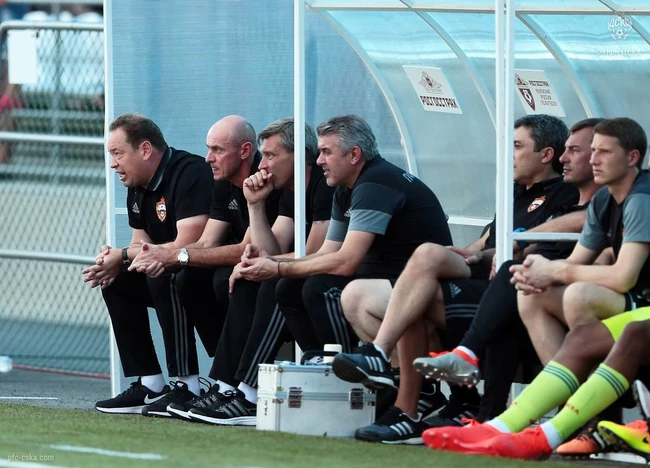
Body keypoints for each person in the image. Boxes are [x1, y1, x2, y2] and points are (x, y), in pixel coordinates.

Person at [332, 114, 580, 444]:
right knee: (426, 258)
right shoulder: (515, 191)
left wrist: (508, 248)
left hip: (511, 289)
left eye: (517, 146)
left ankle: (405, 402)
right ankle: (402, 380)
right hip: (487, 272)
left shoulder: (565, 193)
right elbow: (488, 240)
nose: (508, 155)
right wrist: (471, 251)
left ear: (546, 154)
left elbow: (548, 243)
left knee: (417, 292)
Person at [422, 117, 650, 459]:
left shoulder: (642, 198)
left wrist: (554, 269)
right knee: (530, 293)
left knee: (580, 296)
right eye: (593, 151)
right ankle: (506, 425)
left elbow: (623, 278)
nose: (593, 160)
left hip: (639, 306)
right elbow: (580, 260)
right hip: (636, 307)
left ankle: (546, 428)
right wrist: (538, 273)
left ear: (632, 158)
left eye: (604, 152)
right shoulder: (605, 200)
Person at [414, 118, 603, 429]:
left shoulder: (588, 197)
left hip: (566, 293)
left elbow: (598, 254)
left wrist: (524, 250)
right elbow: (497, 244)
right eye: (566, 150)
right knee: (502, 287)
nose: (564, 158)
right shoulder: (517, 192)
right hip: (528, 287)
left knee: (508, 285)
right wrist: (485, 253)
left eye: (575, 150)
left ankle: (467, 386)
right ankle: (480, 413)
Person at [236, 115, 450, 360]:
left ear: (354, 155)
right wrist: (273, 263)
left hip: (418, 286)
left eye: (326, 152)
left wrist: (277, 268)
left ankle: (345, 367)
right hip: (385, 279)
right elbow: (327, 252)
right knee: (289, 287)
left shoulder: (374, 184)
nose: (319, 160)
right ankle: (322, 362)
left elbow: (347, 262)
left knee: (319, 287)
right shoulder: (345, 188)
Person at [172, 118, 335, 425]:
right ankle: (226, 385)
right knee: (245, 281)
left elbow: (313, 255)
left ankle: (248, 393)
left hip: (337, 280)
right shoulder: (290, 188)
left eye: (271, 155)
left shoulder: (324, 185)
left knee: (276, 284)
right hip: (313, 274)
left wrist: (267, 265)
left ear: (299, 156)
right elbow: (272, 248)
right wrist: (256, 206)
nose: (264, 164)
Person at [124, 115, 282, 417]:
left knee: (224, 281)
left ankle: (230, 386)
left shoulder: (266, 180)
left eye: (217, 150)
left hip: (260, 272)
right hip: (239, 268)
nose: (208, 157)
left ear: (245, 151)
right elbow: (208, 242)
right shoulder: (222, 182)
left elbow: (250, 250)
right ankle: (167, 384)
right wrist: (160, 255)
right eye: (208, 148)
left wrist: (174, 256)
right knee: (166, 277)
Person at [83, 113, 213, 414]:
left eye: (118, 153)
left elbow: (187, 244)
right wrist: (114, 258)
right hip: (172, 270)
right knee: (117, 280)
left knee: (161, 273)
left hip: (206, 273)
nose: (113, 164)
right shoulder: (137, 184)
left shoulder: (190, 172)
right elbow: (138, 243)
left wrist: (124, 255)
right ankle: (151, 383)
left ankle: (188, 386)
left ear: (144, 149)